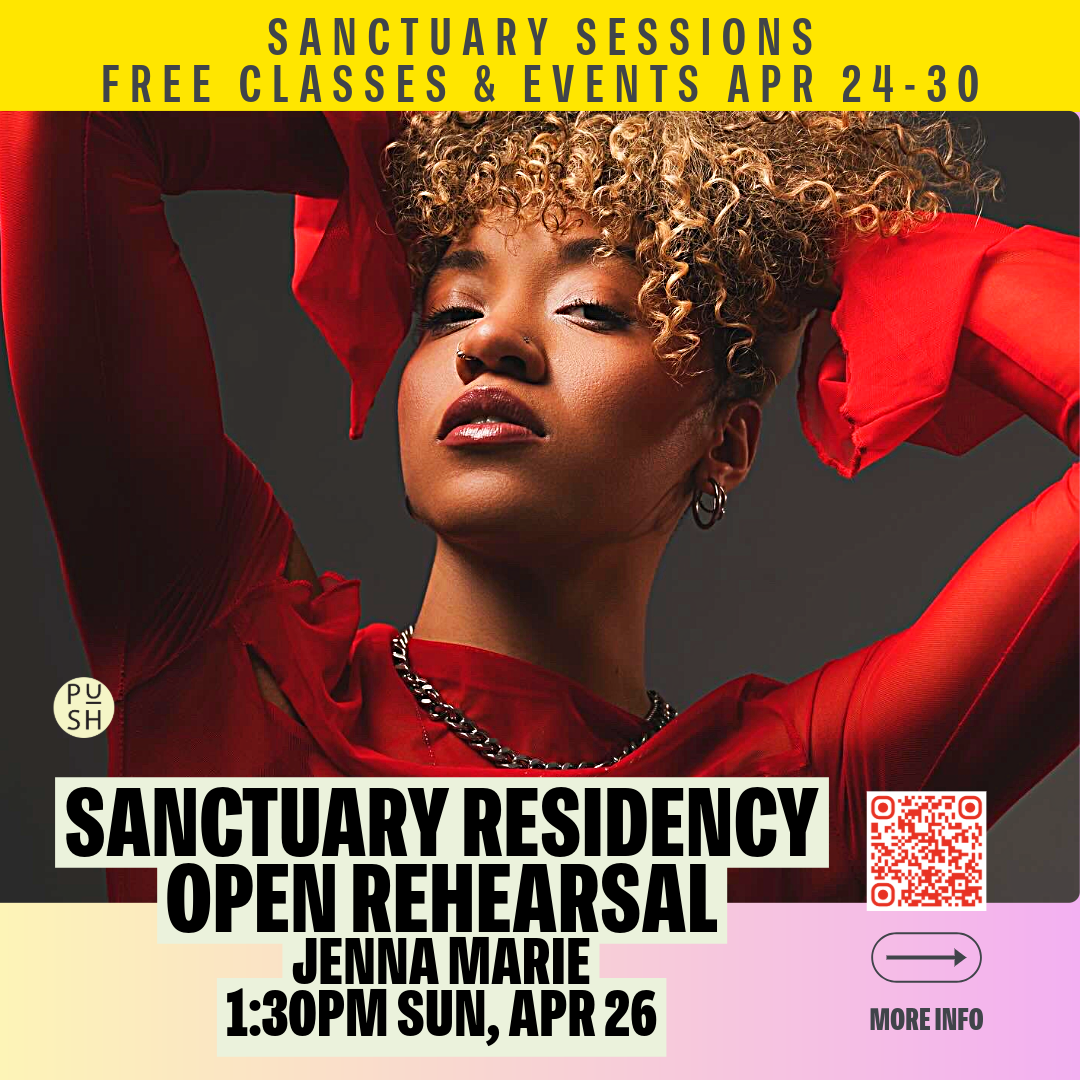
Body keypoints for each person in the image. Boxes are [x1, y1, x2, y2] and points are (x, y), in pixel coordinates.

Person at [0, 111, 1075, 904]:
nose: (489, 340)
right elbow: (73, 115)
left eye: (593, 310)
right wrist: (395, 138)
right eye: (451, 304)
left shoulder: (828, 792)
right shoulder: (228, 652)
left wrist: (872, 255)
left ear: (728, 444)